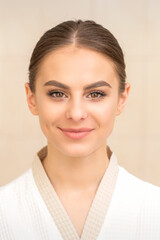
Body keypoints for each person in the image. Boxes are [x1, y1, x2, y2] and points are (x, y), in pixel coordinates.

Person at [0, 19, 160, 240]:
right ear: (32, 99)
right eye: (57, 93)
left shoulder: (154, 210)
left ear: (122, 99)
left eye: (95, 94)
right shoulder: (4, 213)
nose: (76, 113)